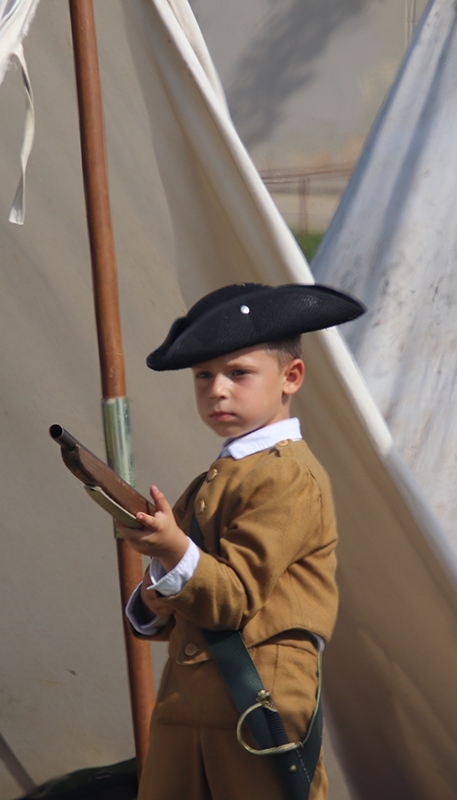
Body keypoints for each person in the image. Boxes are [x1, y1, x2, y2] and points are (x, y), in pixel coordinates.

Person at [118, 282, 364, 800]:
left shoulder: (289, 475)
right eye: (204, 375)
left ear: (290, 377)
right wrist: (157, 574)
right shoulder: (221, 475)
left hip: (260, 709)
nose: (217, 389)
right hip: (187, 708)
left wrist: (170, 548)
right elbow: (172, 612)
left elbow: (231, 599)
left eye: (239, 373)